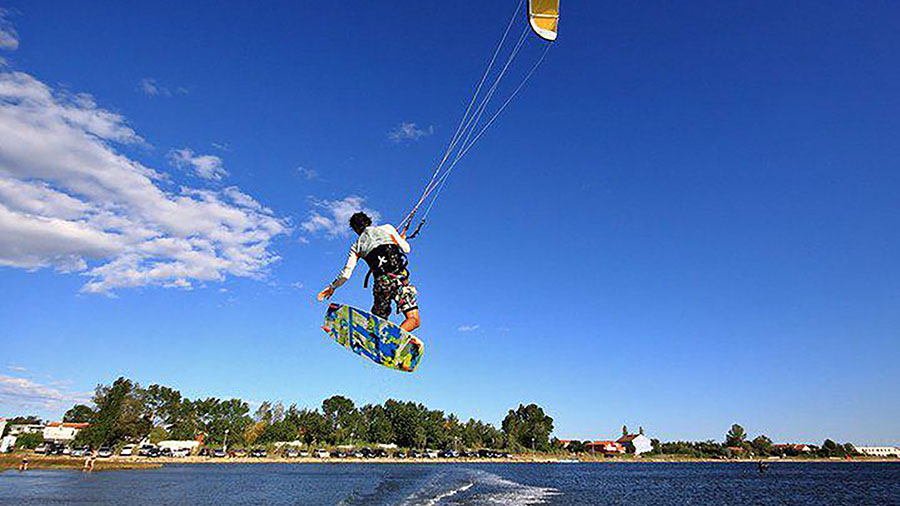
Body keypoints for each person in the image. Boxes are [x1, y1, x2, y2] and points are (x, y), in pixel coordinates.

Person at [317, 212, 420, 332]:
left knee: (378, 322)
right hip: (401, 280)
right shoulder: (387, 228)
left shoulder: (356, 246)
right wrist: (399, 240)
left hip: (382, 284)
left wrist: (332, 287)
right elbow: (406, 249)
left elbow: (346, 274)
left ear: (355, 230)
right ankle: (393, 338)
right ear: (369, 221)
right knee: (414, 319)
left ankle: (377, 336)